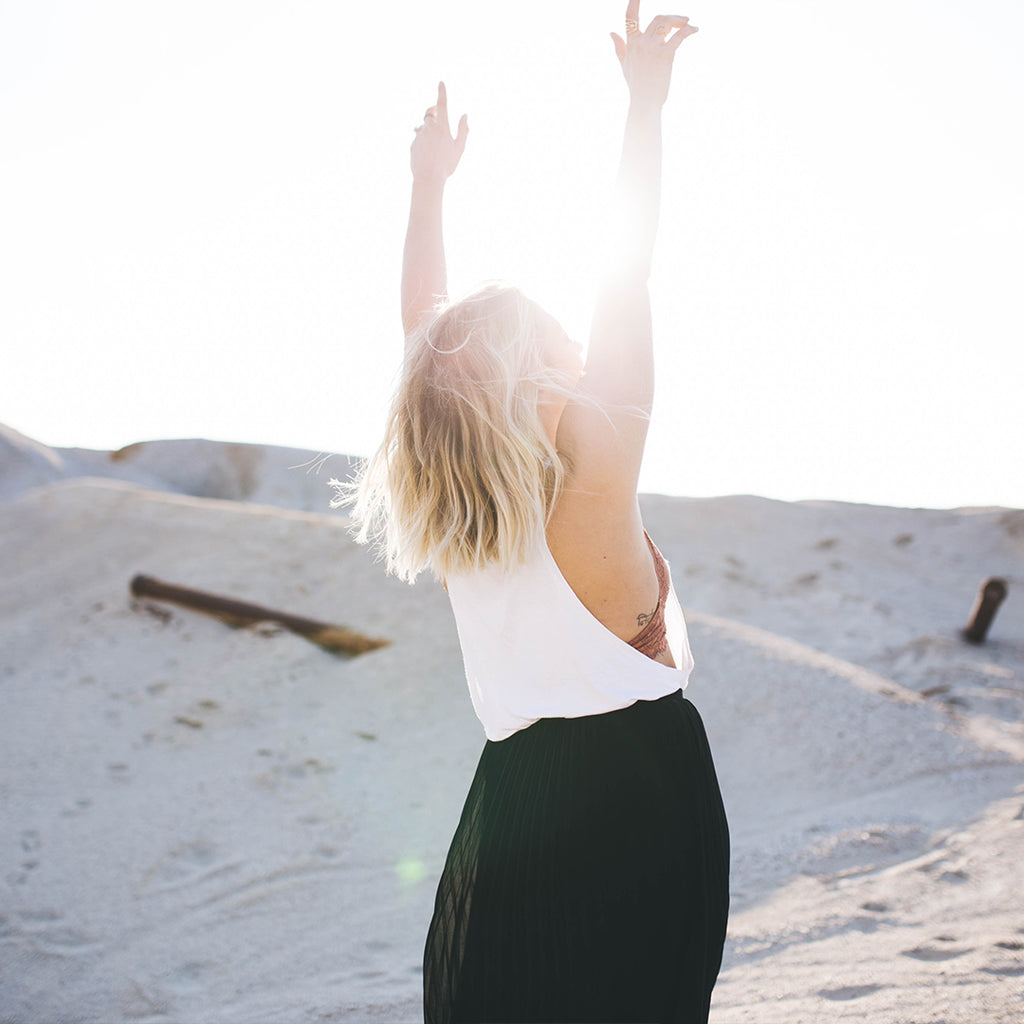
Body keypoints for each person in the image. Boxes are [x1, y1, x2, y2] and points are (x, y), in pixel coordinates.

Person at [346, 4, 729, 1021]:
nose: (576, 347)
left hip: (510, 805)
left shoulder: (469, 520)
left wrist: (428, 187)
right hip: (639, 801)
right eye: (560, 338)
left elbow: (420, 331)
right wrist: (644, 108)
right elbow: (628, 268)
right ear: (540, 370)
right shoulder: (597, 464)